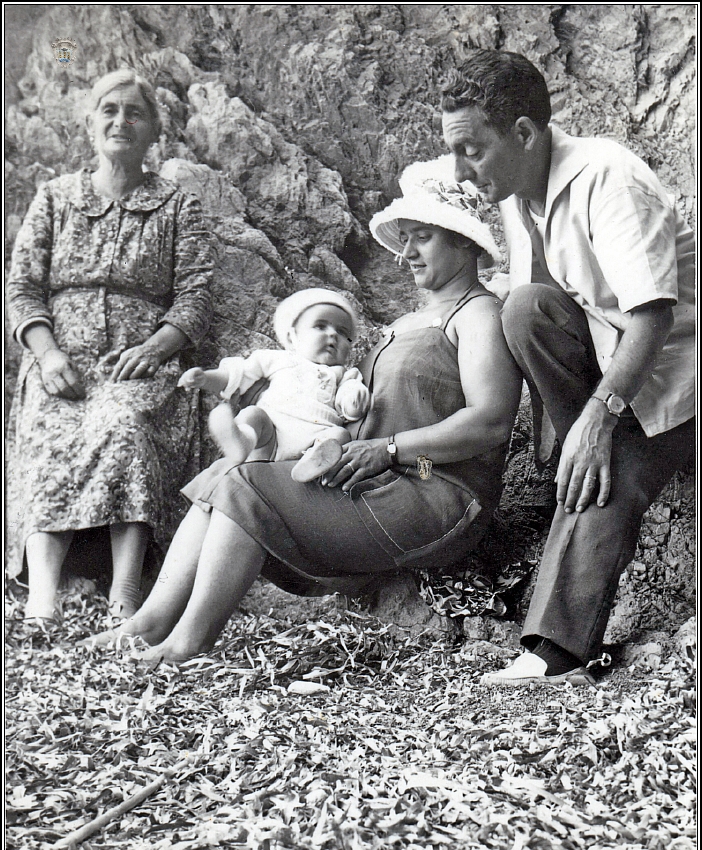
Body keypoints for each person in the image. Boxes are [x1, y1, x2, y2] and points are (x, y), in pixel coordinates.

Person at [84, 158, 522, 663]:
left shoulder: (479, 313)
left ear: (463, 241)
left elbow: (491, 421)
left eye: (421, 237)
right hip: (377, 478)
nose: (406, 253)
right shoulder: (409, 321)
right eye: (404, 238)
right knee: (226, 473)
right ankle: (152, 620)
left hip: (434, 487)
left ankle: (190, 641)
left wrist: (390, 447)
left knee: (245, 485)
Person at [440, 50, 695, 686]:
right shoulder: (519, 191)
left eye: (471, 149)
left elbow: (653, 318)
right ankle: (578, 454)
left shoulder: (609, 178)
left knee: (610, 467)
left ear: (524, 133)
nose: (460, 168)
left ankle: (556, 649)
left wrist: (598, 420)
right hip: (618, 360)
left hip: (678, 373)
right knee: (523, 309)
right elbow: (535, 304)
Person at [6, 68, 213, 623]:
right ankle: (42, 599)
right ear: (91, 124)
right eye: (109, 111)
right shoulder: (54, 198)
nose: (121, 121)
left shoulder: (176, 207)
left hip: (135, 364)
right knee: (51, 433)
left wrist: (159, 346)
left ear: (153, 134)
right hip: (61, 363)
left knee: (122, 428)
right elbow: (22, 288)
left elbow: (195, 294)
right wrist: (47, 355)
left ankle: (126, 594)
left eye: (135, 113)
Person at [178, 288, 370, 483]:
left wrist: (354, 403)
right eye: (320, 326)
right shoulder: (277, 359)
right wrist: (205, 378)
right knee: (253, 414)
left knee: (340, 434)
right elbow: (238, 375)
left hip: (315, 440)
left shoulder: (345, 374)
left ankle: (313, 463)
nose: (332, 335)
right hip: (271, 436)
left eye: (342, 332)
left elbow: (349, 400)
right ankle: (241, 443)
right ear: (292, 337)